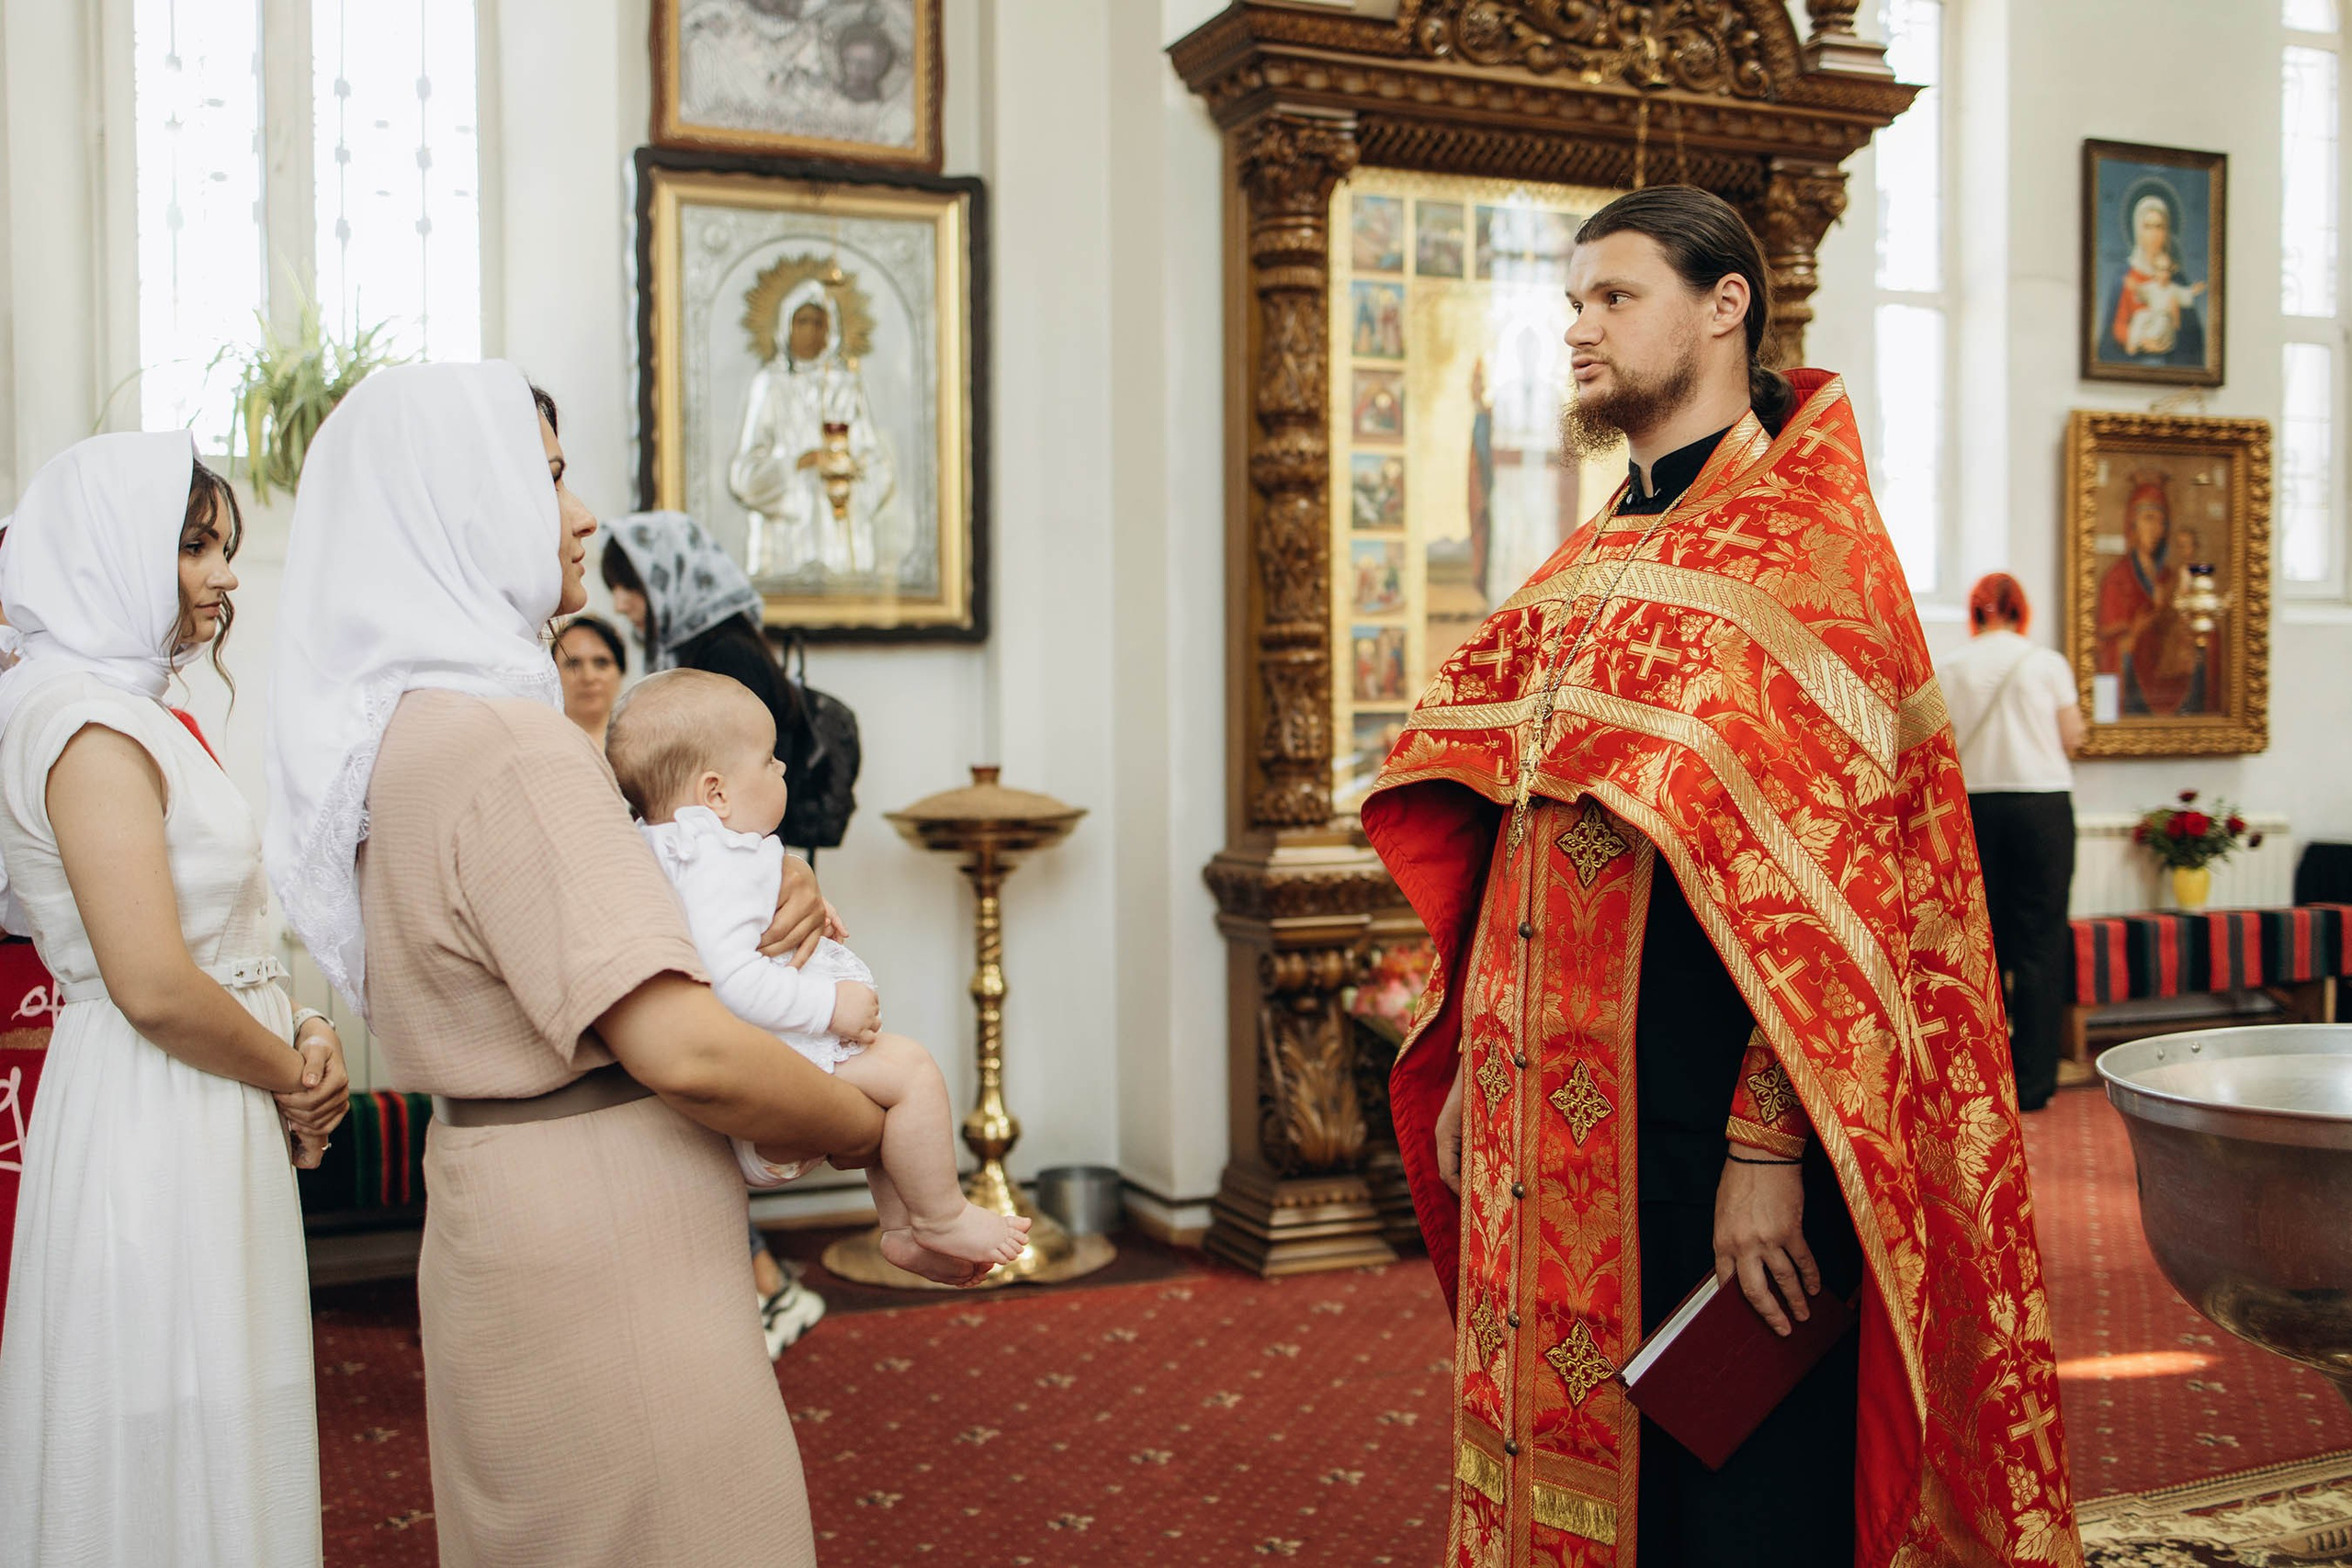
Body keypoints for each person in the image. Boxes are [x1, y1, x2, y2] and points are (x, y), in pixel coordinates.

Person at [1362, 186, 2080, 1565]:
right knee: (1571, 1451)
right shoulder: (1597, 555)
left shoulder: (1809, 558)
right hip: (1559, 1114)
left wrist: (1767, 1151)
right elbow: (1515, 826)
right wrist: (1469, 1055)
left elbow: (1846, 890)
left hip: (1710, 1123)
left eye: (1614, 296)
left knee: (1730, 1481)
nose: (1579, 326)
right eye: (1572, 300)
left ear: (1725, 304)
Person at [263, 362, 886, 1567]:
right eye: (546, 476)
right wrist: (868, 1124)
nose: (582, 513)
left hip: (497, 1201)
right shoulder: (510, 741)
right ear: (461, 503)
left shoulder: (405, 734)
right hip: (607, 1233)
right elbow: (690, 1051)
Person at [0, 433, 350, 1567]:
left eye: (224, 547)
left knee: (222, 1412)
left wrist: (305, 1026)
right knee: (159, 1425)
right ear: (111, 551)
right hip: (152, 1109)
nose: (225, 575)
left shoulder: (137, 708)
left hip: (214, 1092)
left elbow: (231, 928)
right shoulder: (80, 725)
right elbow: (151, 984)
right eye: (196, 546)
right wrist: (290, 1072)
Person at [608, 670, 1029, 1284]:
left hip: (761, 1068)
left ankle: (904, 1232)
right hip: (776, 1062)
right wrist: (830, 1006)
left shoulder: (673, 847)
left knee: (895, 1102)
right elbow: (729, 979)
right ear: (716, 793)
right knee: (913, 1072)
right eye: (770, 760)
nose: (782, 770)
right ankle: (939, 1214)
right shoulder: (717, 864)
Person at [603, 509, 832, 1353]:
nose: (624, 606)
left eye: (627, 588)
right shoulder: (720, 650)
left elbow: (742, 798)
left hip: (732, 887)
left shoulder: (716, 663)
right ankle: (755, 1282)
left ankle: (762, 1283)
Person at [1938, 575, 2083, 1112]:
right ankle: (2035, 1082)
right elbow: (2072, 739)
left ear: (1975, 613)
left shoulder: (1952, 667)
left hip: (1977, 806)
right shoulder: (2046, 664)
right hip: (2042, 806)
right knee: (2042, 942)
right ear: (2023, 610)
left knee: (1982, 942)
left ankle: (1985, 1078)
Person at [727, 281, 904, 581]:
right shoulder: (770, 385)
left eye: (819, 323)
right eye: (803, 322)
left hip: (840, 537)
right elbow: (746, 476)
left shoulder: (847, 385)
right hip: (786, 541)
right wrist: (800, 462)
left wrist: (847, 475)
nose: (810, 332)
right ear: (787, 327)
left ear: (830, 330)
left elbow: (875, 463)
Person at [2095, 471, 2213, 716]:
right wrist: (2133, 636)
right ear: (2133, 523)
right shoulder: (2116, 579)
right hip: (2135, 687)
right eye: (2148, 518)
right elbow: (2104, 644)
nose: (2155, 529)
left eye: (2161, 522)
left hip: (2170, 676)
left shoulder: (2170, 577)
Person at [553, 615, 627, 750]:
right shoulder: (538, 746)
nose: (588, 677)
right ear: (553, 673)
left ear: (620, 671)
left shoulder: (646, 745)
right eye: (573, 664)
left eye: (601, 662)